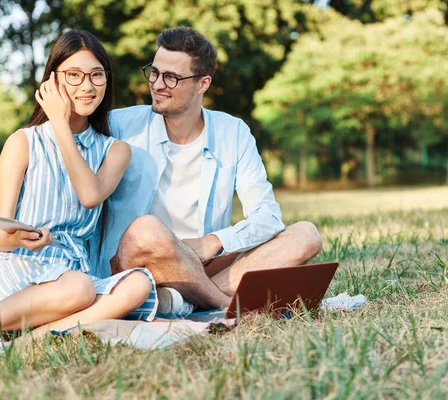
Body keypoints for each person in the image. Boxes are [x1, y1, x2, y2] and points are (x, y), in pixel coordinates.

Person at [0, 30, 158, 352]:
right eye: (74, 75)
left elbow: (89, 195)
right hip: (18, 263)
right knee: (80, 290)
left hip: (72, 270)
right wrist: (20, 237)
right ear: (52, 82)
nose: (87, 86)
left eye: (96, 75)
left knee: (138, 284)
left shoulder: (115, 150)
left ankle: (22, 341)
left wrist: (62, 127)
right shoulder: (23, 143)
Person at [89, 27, 323, 315]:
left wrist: (212, 242)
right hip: (137, 265)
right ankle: (227, 304)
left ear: (203, 84)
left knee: (306, 235)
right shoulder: (119, 125)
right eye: (154, 72)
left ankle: (185, 302)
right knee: (147, 229)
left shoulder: (233, 131)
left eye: (172, 77)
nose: (157, 84)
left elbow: (268, 217)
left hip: (202, 263)